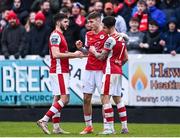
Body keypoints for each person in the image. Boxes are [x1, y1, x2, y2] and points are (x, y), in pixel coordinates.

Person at [36, 13, 83, 135]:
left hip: (60, 70)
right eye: (65, 22)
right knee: (65, 99)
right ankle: (44, 120)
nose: (68, 24)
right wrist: (74, 54)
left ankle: (56, 127)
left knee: (57, 98)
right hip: (59, 71)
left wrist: (79, 54)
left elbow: (63, 53)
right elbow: (56, 54)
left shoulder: (60, 35)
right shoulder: (55, 36)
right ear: (58, 22)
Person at [89, 16, 129, 134]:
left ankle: (109, 128)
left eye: (104, 28)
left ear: (109, 27)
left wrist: (93, 51)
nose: (103, 30)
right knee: (118, 99)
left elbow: (102, 56)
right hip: (118, 70)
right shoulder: (121, 38)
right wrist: (118, 63)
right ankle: (124, 127)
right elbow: (126, 58)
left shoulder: (110, 40)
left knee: (105, 97)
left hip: (110, 70)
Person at [76, 11, 109, 135]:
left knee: (104, 98)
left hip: (101, 70)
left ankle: (107, 126)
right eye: (88, 22)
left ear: (99, 21)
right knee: (86, 98)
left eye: (91, 21)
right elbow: (87, 51)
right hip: (89, 69)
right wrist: (81, 48)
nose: (89, 24)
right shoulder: (88, 34)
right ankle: (89, 126)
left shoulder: (106, 34)